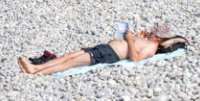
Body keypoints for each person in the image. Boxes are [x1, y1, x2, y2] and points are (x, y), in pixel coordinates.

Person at [18, 23, 173, 75]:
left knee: (70, 62)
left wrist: (132, 41)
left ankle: (37, 72)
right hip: (104, 48)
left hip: (109, 54)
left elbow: (135, 58)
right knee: (68, 55)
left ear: (158, 38)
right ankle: (36, 67)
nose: (151, 31)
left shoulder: (151, 49)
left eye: (154, 32)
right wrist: (138, 36)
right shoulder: (147, 41)